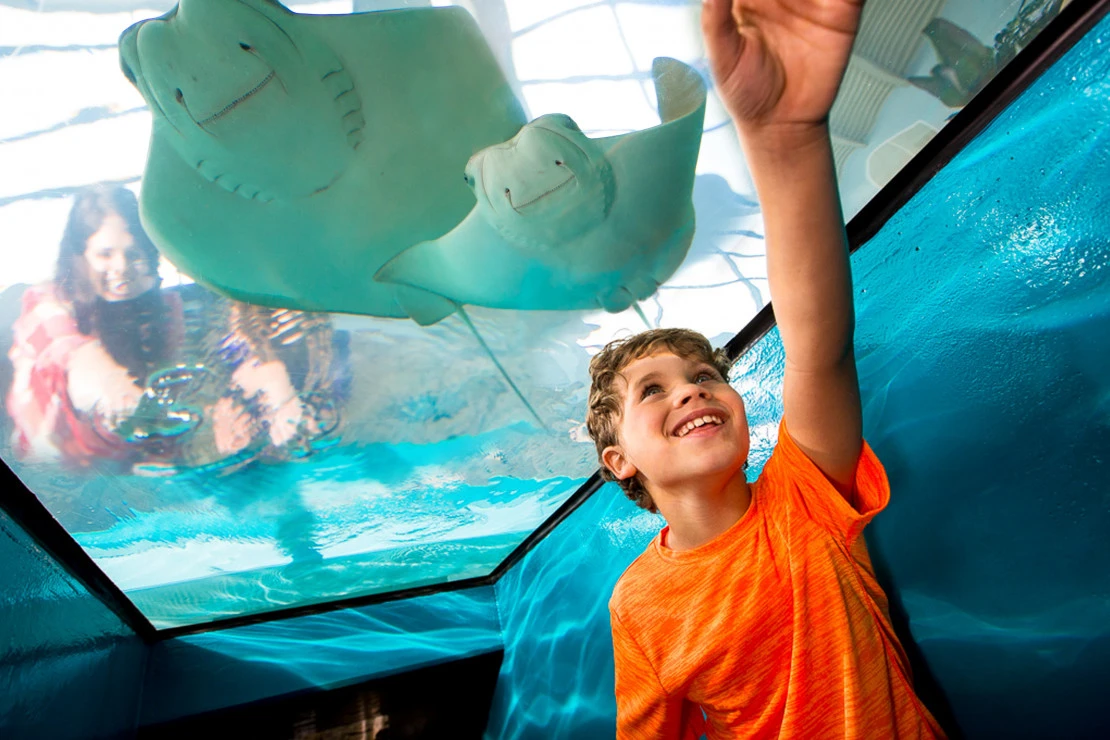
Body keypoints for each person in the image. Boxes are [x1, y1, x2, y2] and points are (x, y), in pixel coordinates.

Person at [585, 1, 947, 737]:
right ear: (618, 459)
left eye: (703, 376)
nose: (690, 387)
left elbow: (819, 346)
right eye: (653, 390)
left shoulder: (804, 494)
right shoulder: (637, 604)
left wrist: (784, 139)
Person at [6, 184, 339, 470]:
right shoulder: (47, 305)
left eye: (133, 253)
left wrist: (224, 422)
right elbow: (76, 360)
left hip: (127, 464)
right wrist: (125, 398)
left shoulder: (167, 308)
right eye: (104, 254)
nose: (121, 268)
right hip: (51, 471)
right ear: (79, 256)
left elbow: (206, 371)